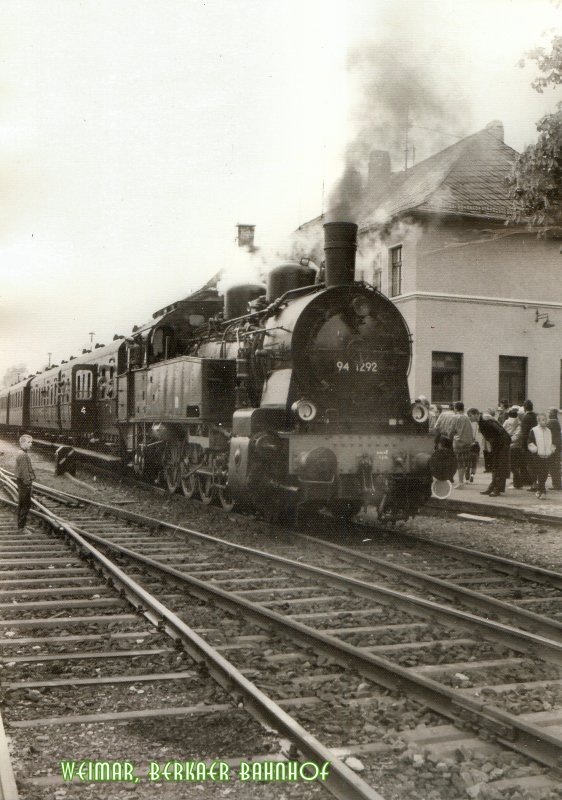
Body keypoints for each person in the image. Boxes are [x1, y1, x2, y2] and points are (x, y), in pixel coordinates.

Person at [467, 408, 511, 497]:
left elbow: (499, 431)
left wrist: (495, 443)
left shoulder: (485, 420)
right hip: (497, 445)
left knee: (500, 467)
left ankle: (497, 489)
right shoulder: (481, 421)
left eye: (470, 416)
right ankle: (492, 487)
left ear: (476, 414)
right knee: (495, 466)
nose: (469, 418)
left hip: (502, 444)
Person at [528, 413, 557, 499]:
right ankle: (543, 491)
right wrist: (535, 450)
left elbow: (552, 441)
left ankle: (539, 490)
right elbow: (530, 442)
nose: (545, 421)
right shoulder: (534, 430)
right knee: (540, 473)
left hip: (547, 455)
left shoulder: (549, 431)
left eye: (546, 419)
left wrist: (552, 449)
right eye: (543, 420)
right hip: (538, 455)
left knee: (545, 473)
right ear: (538, 421)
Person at [15, 434, 36, 531]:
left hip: (22, 482)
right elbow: (24, 472)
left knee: (22, 504)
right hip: (24, 483)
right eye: (28, 442)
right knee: (25, 505)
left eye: (31, 442)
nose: (31, 444)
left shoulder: (21, 453)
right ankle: (21, 527)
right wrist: (28, 484)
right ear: (22, 443)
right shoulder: (23, 455)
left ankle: (21, 525)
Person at [451, 401, 474, 489]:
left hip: (458, 443)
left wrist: (450, 436)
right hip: (467, 443)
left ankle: (460, 482)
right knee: (464, 463)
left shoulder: (455, 417)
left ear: (456, 408)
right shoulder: (467, 418)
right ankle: (462, 481)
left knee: (459, 463)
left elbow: (451, 430)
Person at [503, 406, 523, 489]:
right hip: (517, 446)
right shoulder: (519, 423)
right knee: (515, 465)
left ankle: (517, 484)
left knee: (512, 466)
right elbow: (518, 435)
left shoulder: (507, 422)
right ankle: (517, 482)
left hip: (510, 446)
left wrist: (507, 440)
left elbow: (502, 430)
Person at [520, 400, 538, 491]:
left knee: (530, 465)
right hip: (537, 443)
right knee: (536, 464)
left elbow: (524, 434)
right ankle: (537, 483)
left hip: (529, 445)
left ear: (524, 408)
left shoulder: (525, 418)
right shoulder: (536, 416)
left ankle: (534, 484)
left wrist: (523, 447)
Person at [547, 407, 561, 490]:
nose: (548, 414)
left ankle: (556, 484)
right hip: (557, 446)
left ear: (552, 414)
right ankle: (557, 484)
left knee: (553, 466)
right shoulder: (556, 422)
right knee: (555, 466)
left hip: (553, 446)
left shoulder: (552, 422)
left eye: (549, 412)